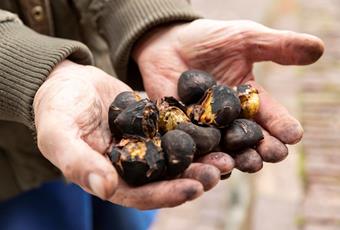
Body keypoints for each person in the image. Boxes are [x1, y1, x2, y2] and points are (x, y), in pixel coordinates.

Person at [0, 0, 324, 229]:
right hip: (9, 174)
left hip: (92, 121)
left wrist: (153, 20)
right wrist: (35, 72)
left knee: (119, 214)